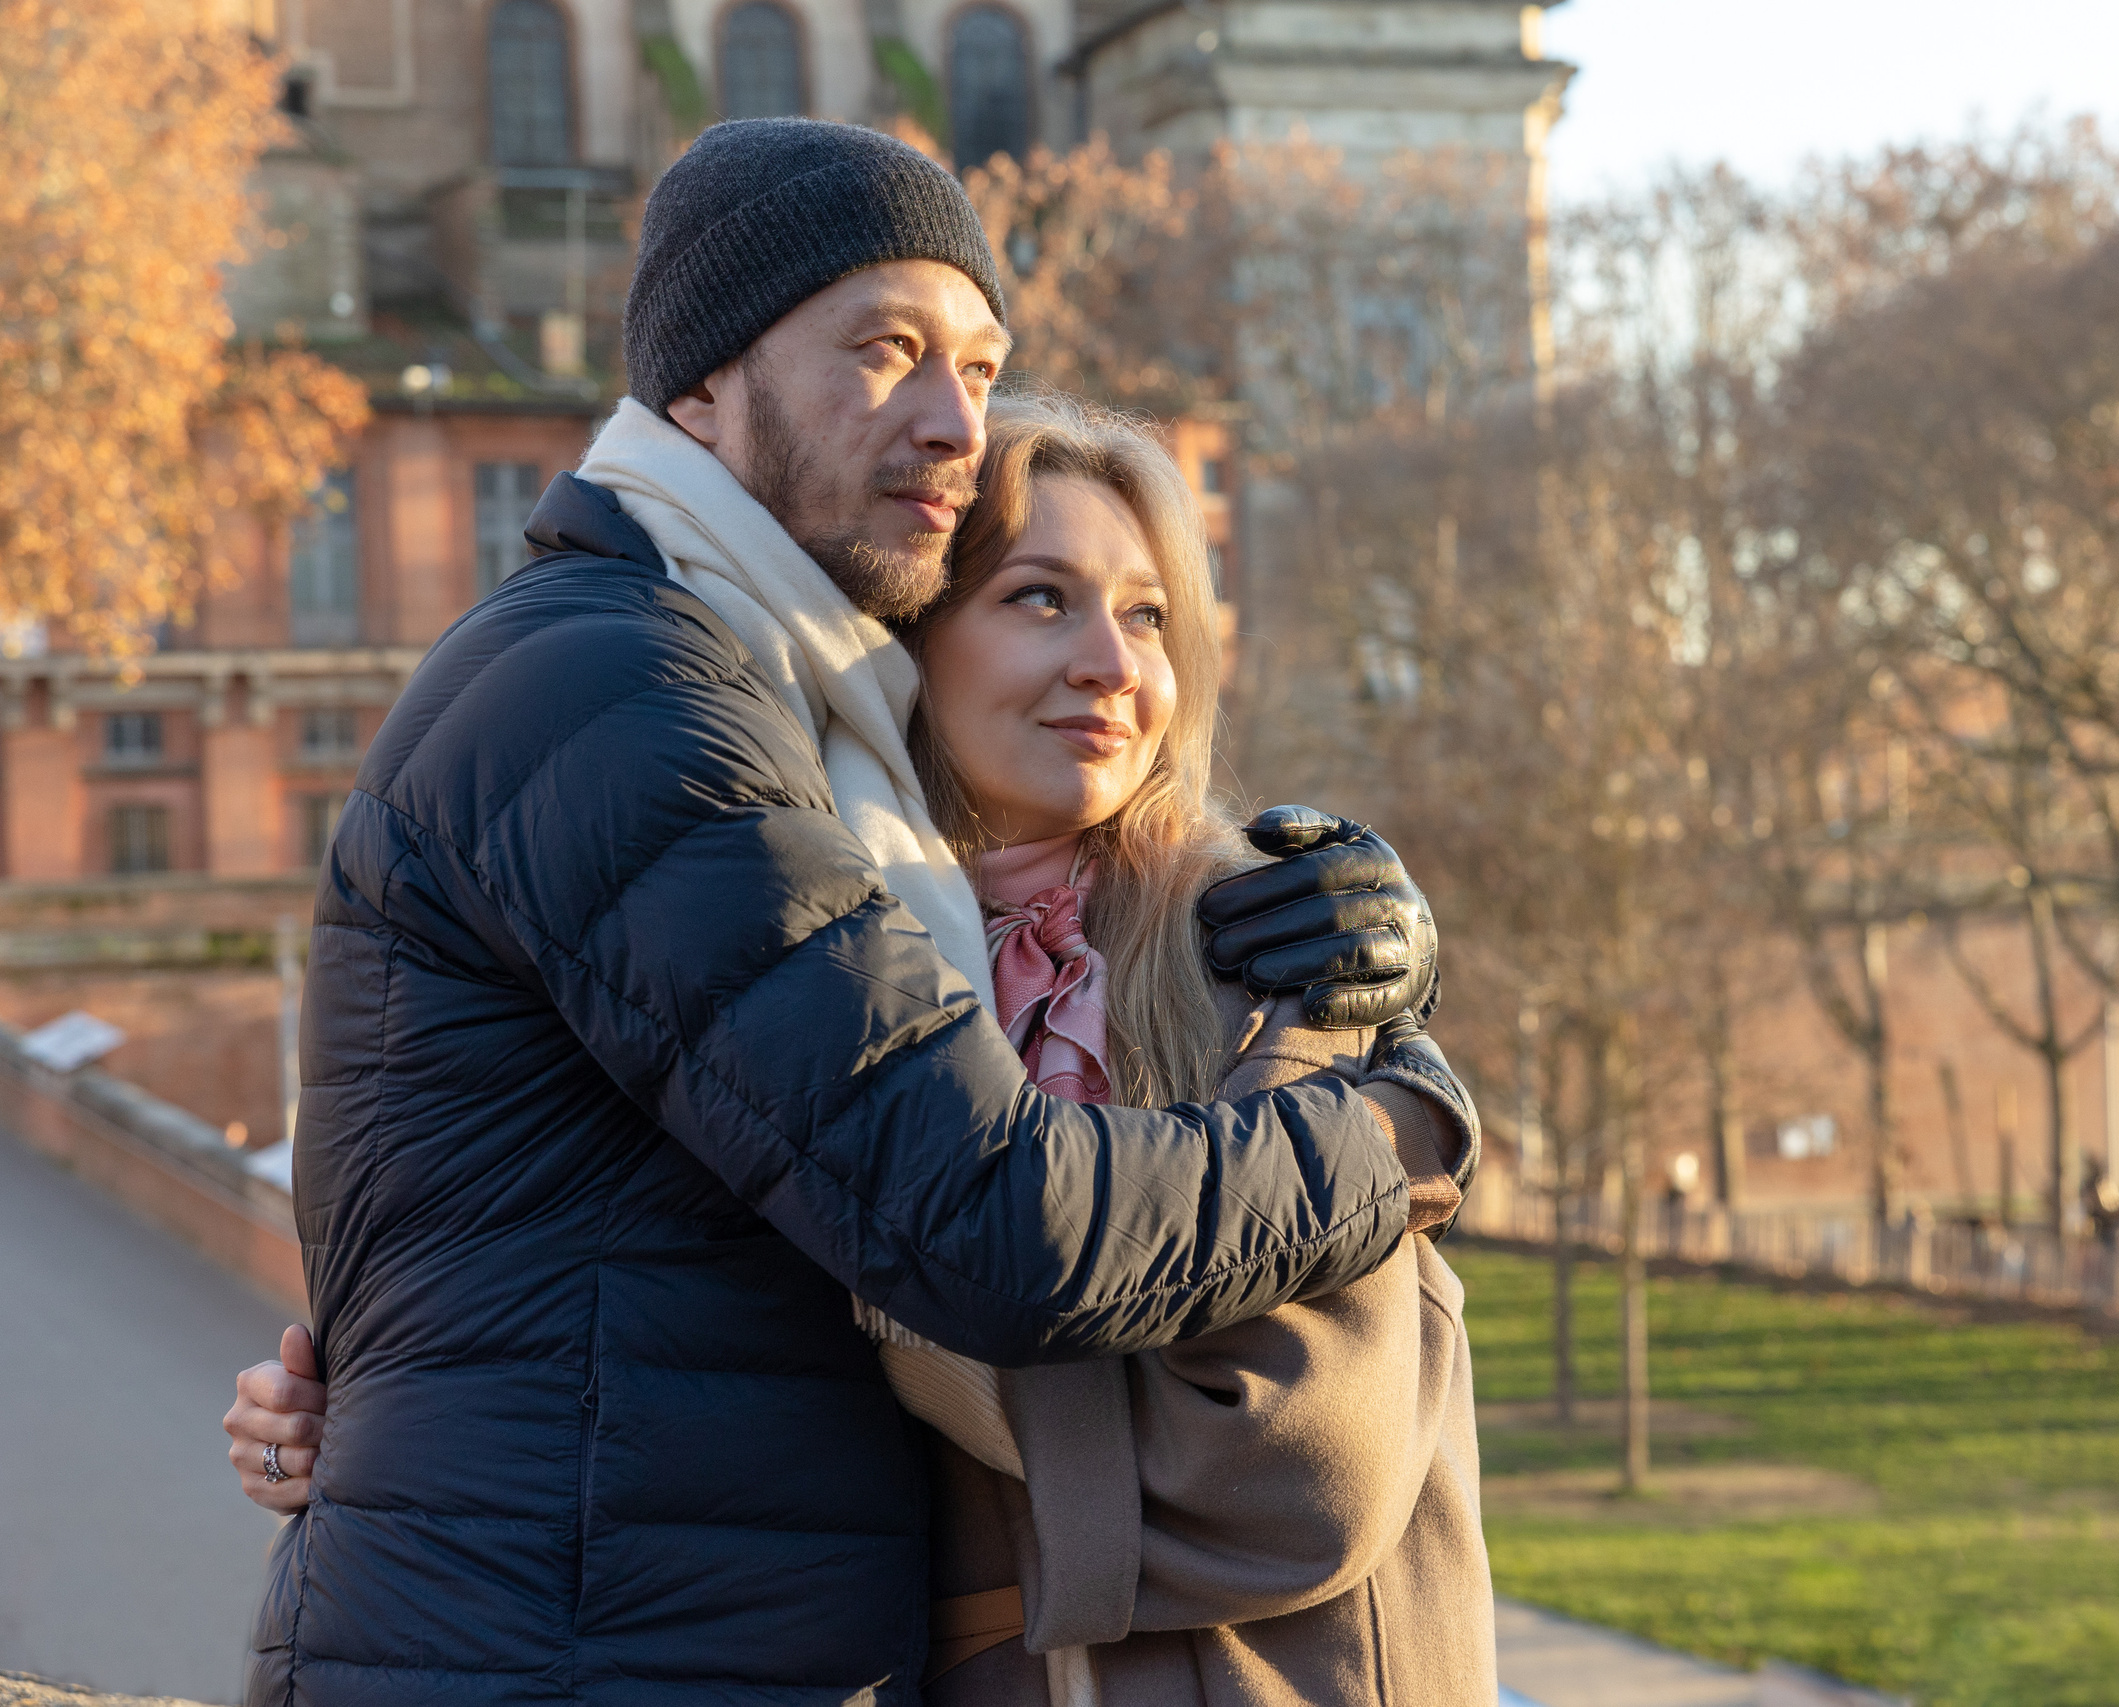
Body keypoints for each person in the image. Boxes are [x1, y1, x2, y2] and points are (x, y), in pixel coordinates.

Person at [223, 120, 1463, 1707]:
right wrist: (1406, 1125)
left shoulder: (785, 724)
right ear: (699, 387)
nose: (954, 420)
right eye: (884, 351)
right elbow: (986, 1225)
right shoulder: (631, 688)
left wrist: (1378, 982)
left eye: (978, 361)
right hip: (582, 1658)